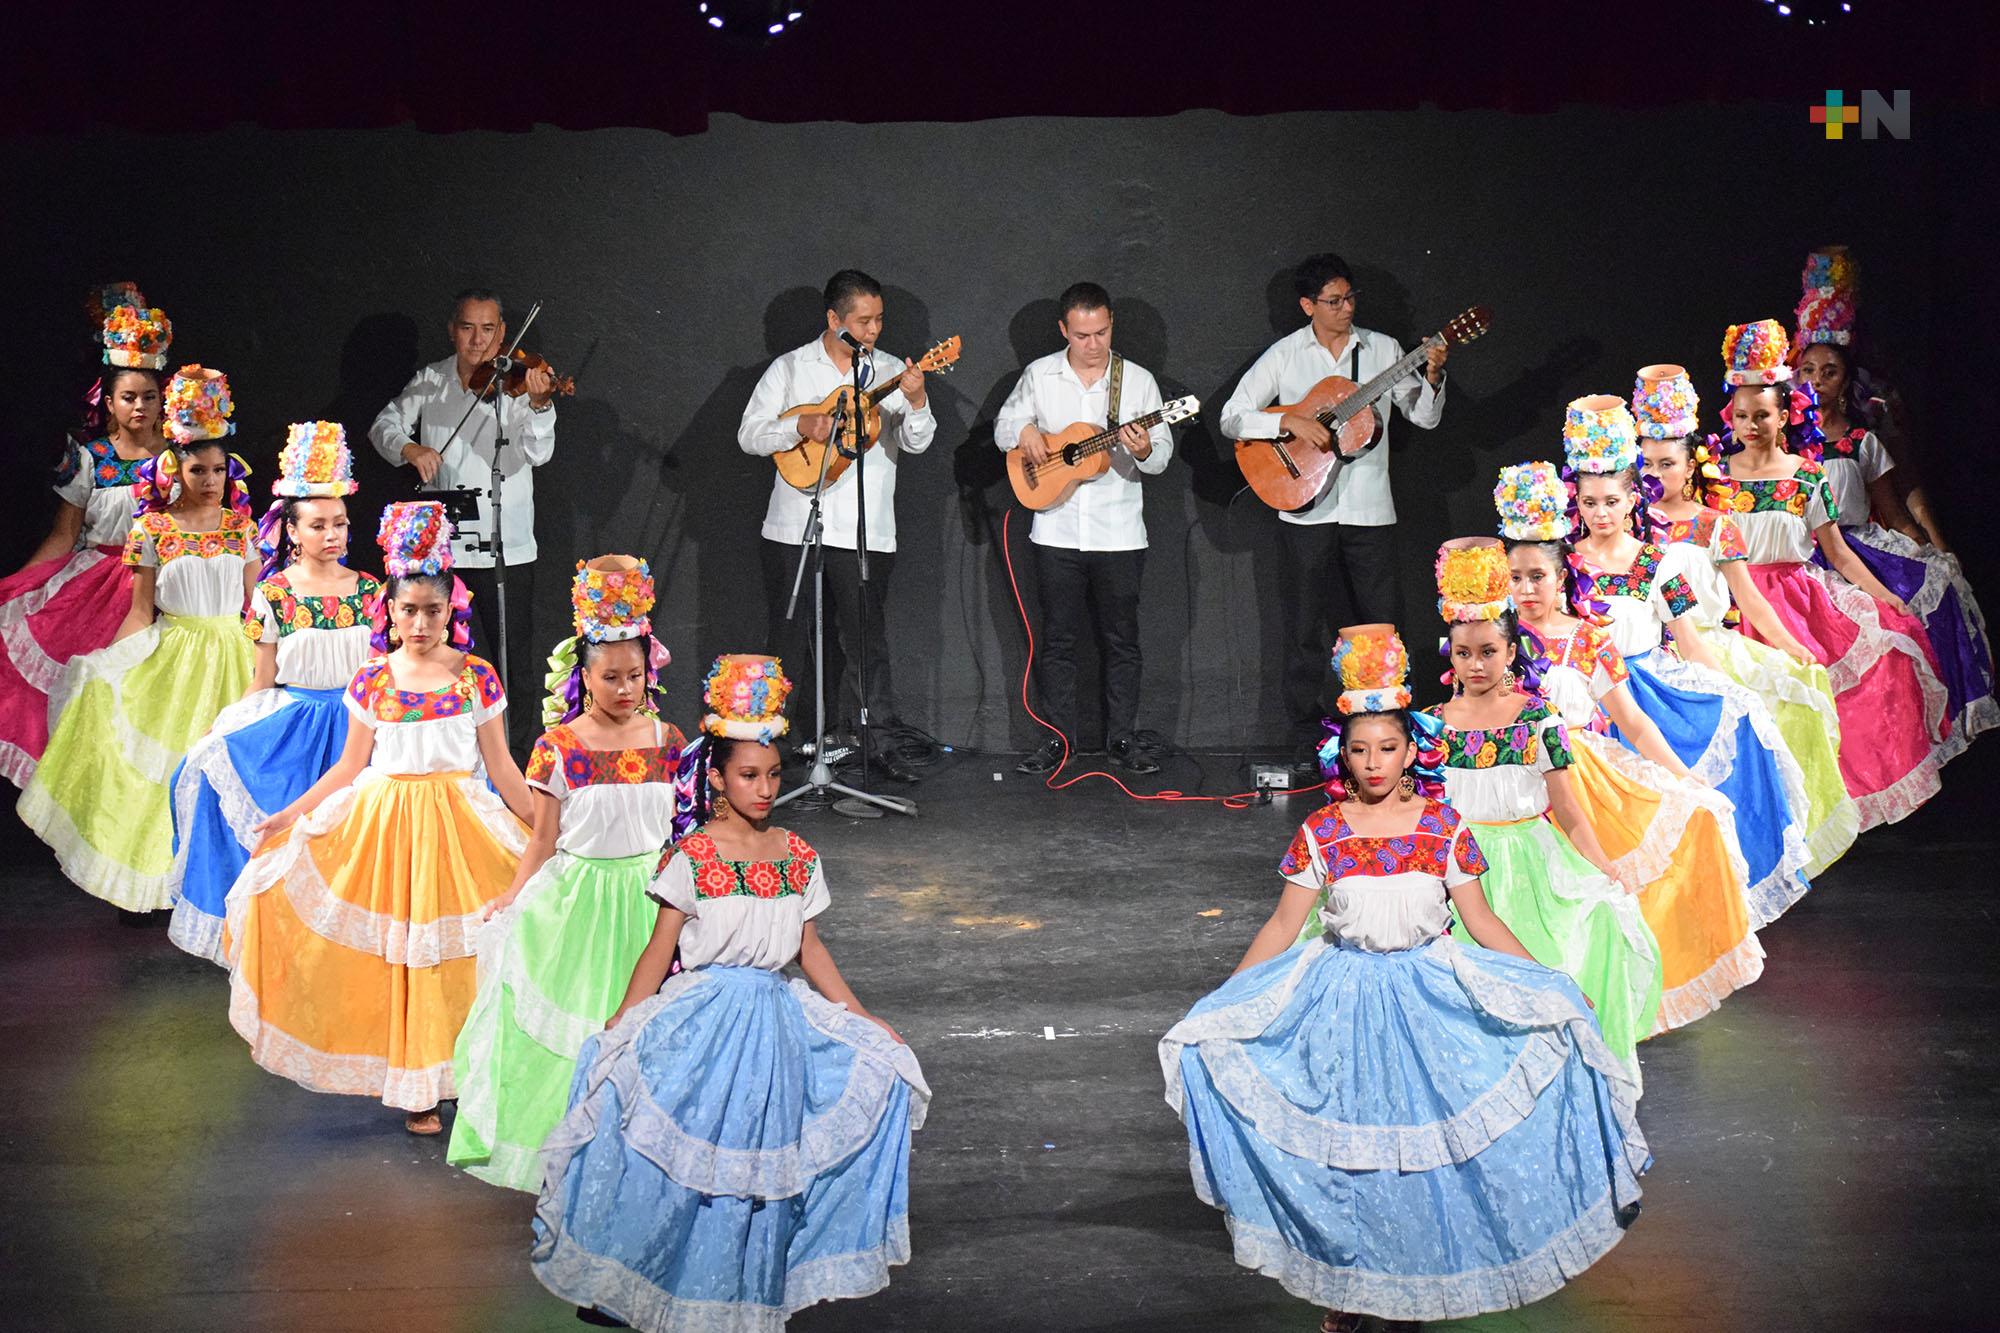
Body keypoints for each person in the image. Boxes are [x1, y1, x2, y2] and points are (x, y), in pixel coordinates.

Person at [1161, 625, 1646, 1330]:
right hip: (1343, 1000)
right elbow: (1280, 925)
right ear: (1343, 756)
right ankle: (1348, 1288)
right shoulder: (1323, 830)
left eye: (1388, 746)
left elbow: (1481, 921)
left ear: (1412, 750)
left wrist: (1547, 982)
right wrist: (1226, 1001)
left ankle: (1411, 1287)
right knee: (1352, 1152)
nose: (1375, 760)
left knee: (1421, 1153)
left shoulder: (1443, 824)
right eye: (1360, 749)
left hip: (1428, 997)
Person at [531, 654, 930, 1330]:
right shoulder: (694, 855)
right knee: (686, 1164)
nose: (765, 787)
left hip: (774, 1029)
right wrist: (622, 1023)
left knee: (755, 1171)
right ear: (716, 777)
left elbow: (808, 948)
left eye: (774, 774)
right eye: (749, 774)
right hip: (705, 1026)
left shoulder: (796, 854)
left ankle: (740, 1291)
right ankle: (651, 1280)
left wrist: (861, 1016)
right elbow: (659, 953)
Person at [224, 501, 533, 1136]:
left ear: (452, 611)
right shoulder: (369, 681)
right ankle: (415, 1086)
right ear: (388, 613)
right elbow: (346, 769)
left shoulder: (476, 677)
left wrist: (548, 829)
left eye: (433, 610)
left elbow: (502, 769)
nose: (420, 622)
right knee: (401, 957)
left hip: (458, 826)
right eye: (407, 610)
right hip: (385, 824)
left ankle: (460, 1072)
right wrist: (290, 815)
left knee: (457, 957)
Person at [449, 554, 688, 1191]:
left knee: (650, 1033)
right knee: (582, 1031)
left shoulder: (667, 741)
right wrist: (512, 896)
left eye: (634, 676)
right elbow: (544, 840)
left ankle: (646, 1154)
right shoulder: (561, 746)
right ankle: (579, 1151)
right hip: (583, 904)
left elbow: (679, 834)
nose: (625, 689)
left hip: (649, 903)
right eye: (610, 677)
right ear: (584, 674)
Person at [1499, 463, 1763, 1032]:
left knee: (1654, 849)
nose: (1526, 590)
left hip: (1584, 771)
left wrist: (1684, 780)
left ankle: (1604, 999)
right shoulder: (1495, 643)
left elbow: (1636, 723)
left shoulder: (1594, 633)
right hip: (1514, 779)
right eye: (1515, 578)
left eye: (1538, 577)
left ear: (1560, 576)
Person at [1561, 395, 1815, 927]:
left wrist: (1730, 690)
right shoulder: (1564, 567)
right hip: (1589, 694)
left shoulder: (1659, 562)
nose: (1601, 514)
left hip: (1651, 686)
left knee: (1729, 735)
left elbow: (1689, 639)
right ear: (1577, 504)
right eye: (1590, 503)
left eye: (1611, 501)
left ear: (1633, 500)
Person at [18, 367, 257, 913]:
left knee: (233, 771)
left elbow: (256, 606)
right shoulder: (152, 529)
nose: (211, 480)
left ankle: (233, 885)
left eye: (220, 470)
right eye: (199, 469)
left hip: (233, 655)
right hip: (176, 655)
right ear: (176, 470)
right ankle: (163, 883)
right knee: (166, 772)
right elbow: (140, 610)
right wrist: (112, 664)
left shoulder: (241, 529)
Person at [1425, 538, 1663, 1077]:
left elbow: (1570, 812)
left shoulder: (1539, 720)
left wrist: (1604, 868)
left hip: (1533, 862)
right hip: (1462, 868)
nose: (1476, 664)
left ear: (1511, 652)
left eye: (1488, 651)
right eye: (1464, 653)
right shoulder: (1432, 725)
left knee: (1591, 925)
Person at [1218, 252, 1447, 781]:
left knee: (1382, 627)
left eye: (1350, 299)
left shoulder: (1386, 351)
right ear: (1307, 306)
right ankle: (1305, 737)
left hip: (1370, 509)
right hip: (1304, 510)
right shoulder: (1286, 355)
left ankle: (1392, 736)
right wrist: (1292, 422)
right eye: (1333, 301)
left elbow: (1425, 418)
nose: (1346, 308)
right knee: (1303, 628)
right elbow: (1233, 417)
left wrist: (1432, 374)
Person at [1708, 319, 1946, 829]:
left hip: (1797, 598)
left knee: (1863, 669)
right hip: (1735, 600)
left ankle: (1825, 814)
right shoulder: (1717, 479)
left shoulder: (1807, 474)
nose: (1751, 425)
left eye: (1763, 415)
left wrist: (1887, 598)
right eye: (1743, 415)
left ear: (1783, 415)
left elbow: (1838, 554)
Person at [165, 423, 380, 962]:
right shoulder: (274, 593)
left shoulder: (371, 590)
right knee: (270, 818)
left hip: (361, 725)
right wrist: (226, 724)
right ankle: (286, 945)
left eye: (340, 524)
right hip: (298, 723)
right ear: (292, 531)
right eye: (318, 525)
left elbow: (381, 672)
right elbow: (264, 678)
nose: (332, 535)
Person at [1636, 365, 1860, 878]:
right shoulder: (1632, 528)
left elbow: (1750, 597)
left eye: (1666, 464)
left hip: (1711, 641)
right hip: (1655, 652)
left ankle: (1763, 846)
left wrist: (1786, 644)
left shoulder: (1717, 524)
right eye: (1645, 465)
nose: (1655, 477)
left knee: (1791, 694)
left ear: (1690, 464)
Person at [1792, 270, 1997, 761]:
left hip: (1859, 549)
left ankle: (1910, 740)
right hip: (1805, 558)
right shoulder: (1783, 446)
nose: (1817, 381)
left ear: (1846, 382)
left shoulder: (1862, 443)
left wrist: (1936, 551)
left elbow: (1893, 511)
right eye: (1808, 370)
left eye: (1830, 371)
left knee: (1928, 597)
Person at [737, 270, 933, 784]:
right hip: (794, 526)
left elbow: (917, 442)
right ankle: (770, 747)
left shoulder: (888, 370)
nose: (873, 331)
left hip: (866, 531)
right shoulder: (791, 369)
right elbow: (749, 435)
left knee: (867, 642)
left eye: (879, 320)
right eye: (862, 321)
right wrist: (798, 425)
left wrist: (915, 400)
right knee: (788, 637)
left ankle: (879, 744)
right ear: (833, 320)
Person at [994, 282, 1175, 776]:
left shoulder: (1136, 381)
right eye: (1081, 335)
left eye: (1100, 332)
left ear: (1111, 323)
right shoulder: (1040, 374)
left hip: (1118, 532)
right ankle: (1058, 741)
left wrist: (1141, 450)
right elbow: (1003, 427)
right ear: (1063, 331)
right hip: (1054, 529)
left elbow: (1160, 457)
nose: (1093, 344)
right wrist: (1026, 431)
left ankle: (1122, 739)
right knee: (1057, 640)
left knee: (1122, 641)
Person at [368, 289, 556, 750]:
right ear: (453, 330)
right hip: (444, 549)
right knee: (445, 658)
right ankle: (454, 752)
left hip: (506, 547)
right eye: (468, 328)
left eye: (488, 329)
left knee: (513, 664)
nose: (478, 341)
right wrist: (410, 449)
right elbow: (382, 426)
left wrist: (539, 405)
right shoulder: (431, 380)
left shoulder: (517, 383)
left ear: (503, 333)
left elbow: (540, 453)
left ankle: (515, 761)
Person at [0, 304, 172, 786]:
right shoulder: (90, 459)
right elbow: (63, 535)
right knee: (88, 699)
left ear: (163, 401)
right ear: (111, 403)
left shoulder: (183, 461)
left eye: (149, 397)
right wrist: (19, 589)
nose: (140, 407)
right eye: (129, 397)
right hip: (95, 592)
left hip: (163, 587)